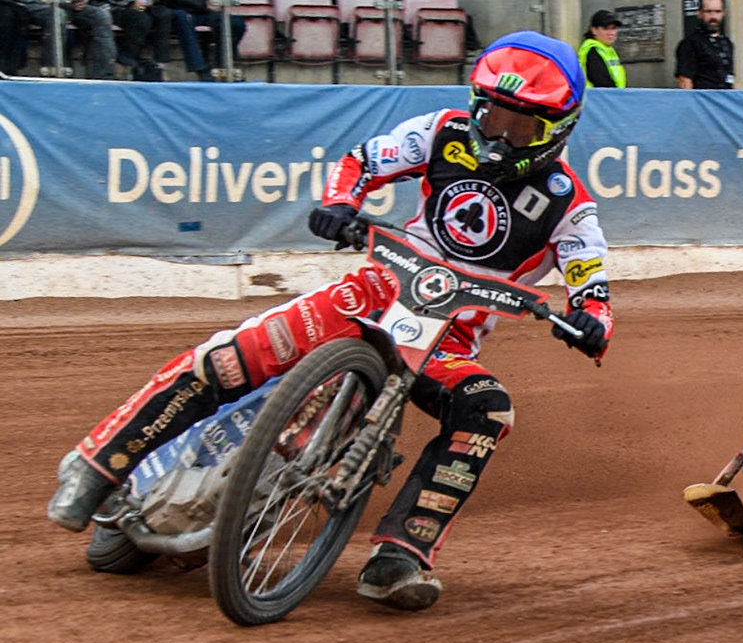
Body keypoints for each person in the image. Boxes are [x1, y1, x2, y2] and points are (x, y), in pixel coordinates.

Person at [48, 34, 611, 612]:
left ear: (558, 129)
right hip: (367, 292)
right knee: (234, 354)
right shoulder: (442, 131)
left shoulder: (570, 203)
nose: (500, 134)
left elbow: (592, 279)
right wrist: (340, 200)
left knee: (487, 407)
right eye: (492, 115)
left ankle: (401, 554)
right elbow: (364, 161)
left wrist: (590, 318)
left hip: (447, 339)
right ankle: (98, 466)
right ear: (474, 104)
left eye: (522, 127)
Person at [675, 0, 735, 88]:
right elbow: (685, 79)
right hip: (702, 100)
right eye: (708, 11)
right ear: (699, 13)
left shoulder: (726, 42)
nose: (713, 16)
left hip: (724, 98)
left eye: (717, 11)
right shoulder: (690, 43)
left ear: (723, 13)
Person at [579, 8, 625, 87]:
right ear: (594, 30)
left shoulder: (607, 49)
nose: (611, 33)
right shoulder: (592, 49)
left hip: (612, 97)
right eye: (606, 29)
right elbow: (601, 81)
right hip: (600, 98)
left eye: (613, 28)